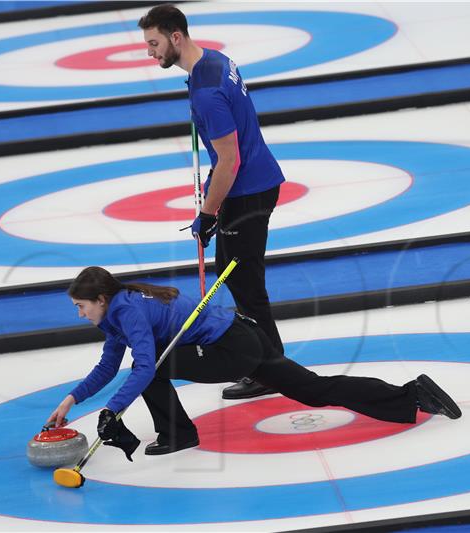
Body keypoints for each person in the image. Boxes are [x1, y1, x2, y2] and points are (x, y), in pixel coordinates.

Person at [46, 267, 462, 459]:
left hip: (231, 349)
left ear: (100, 299)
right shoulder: (116, 314)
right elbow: (106, 367)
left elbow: (141, 368)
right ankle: (413, 397)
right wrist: (71, 400)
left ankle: (178, 434)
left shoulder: (127, 312)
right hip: (244, 335)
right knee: (314, 391)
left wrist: (113, 410)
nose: (79, 314)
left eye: (81, 306)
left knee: (150, 368)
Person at [138, 4, 284, 400]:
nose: (150, 53)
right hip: (253, 181)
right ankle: (268, 362)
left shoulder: (205, 92)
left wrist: (206, 212)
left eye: (154, 44)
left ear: (176, 37)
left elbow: (230, 160)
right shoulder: (215, 61)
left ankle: (269, 369)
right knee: (236, 273)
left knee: (243, 280)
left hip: (246, 187)